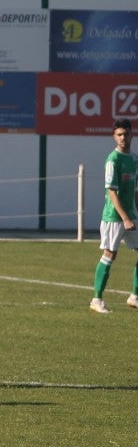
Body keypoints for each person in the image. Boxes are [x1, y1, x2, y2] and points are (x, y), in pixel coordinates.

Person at [89, 118, 138, 313]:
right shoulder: (113, 160)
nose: (123, 138)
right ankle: (97, 299)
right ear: (114, 137)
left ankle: (134, 296)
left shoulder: (134, 159)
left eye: (126, 134)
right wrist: (125, 218)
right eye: (119, 134)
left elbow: (135, 190)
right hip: (114, 216)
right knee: (110, 254)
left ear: (132, 134)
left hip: (131, 216)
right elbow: (112, 192)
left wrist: (133, 214)